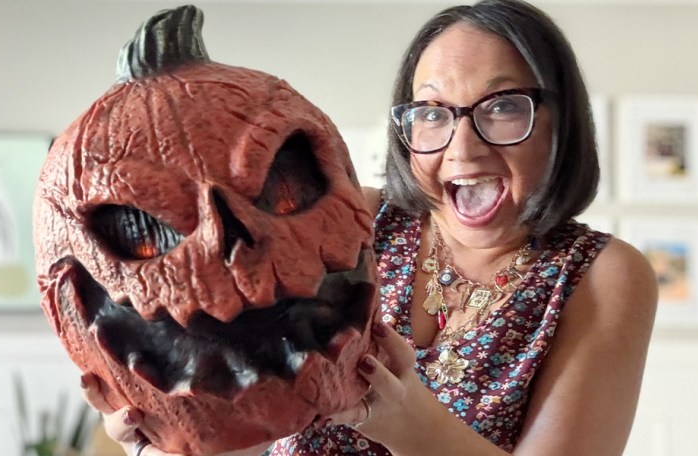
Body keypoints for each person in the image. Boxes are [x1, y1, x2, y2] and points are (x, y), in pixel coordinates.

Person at [83, 0, 658, 454]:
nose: (462, 146)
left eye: (503, 106)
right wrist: (176, 434)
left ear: (564, 124)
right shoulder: (352, 219)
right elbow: (252, 412)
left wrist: (405, 424)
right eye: (432, 112)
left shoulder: (601, 276)